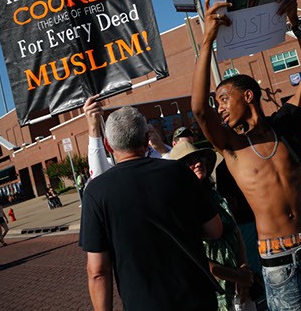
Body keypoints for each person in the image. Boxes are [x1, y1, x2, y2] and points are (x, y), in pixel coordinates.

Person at [192, 0, 301, 310]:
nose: (218, 108)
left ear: (247, 96)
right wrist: (207, 42)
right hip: (276, 261)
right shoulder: (231, 148)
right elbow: (199, 111)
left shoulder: (284, 125)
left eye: (223, 98)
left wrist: (295, 24)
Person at [79, 105, 223, 310]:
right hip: (197, 298)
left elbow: (98, 271)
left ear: (108, 145)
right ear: (147, 138)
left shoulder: (96, 192)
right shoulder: (179, 172)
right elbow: (215, 229)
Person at [168, 140, 254, 311]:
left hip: (239, 286)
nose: (197, 163)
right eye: (189, 162)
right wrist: (237, 276)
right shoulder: (181, 206)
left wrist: (243, 269)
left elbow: (235, 232)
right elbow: (193, 256)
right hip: (213, 291)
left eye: (198, 158)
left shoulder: (214, 196)